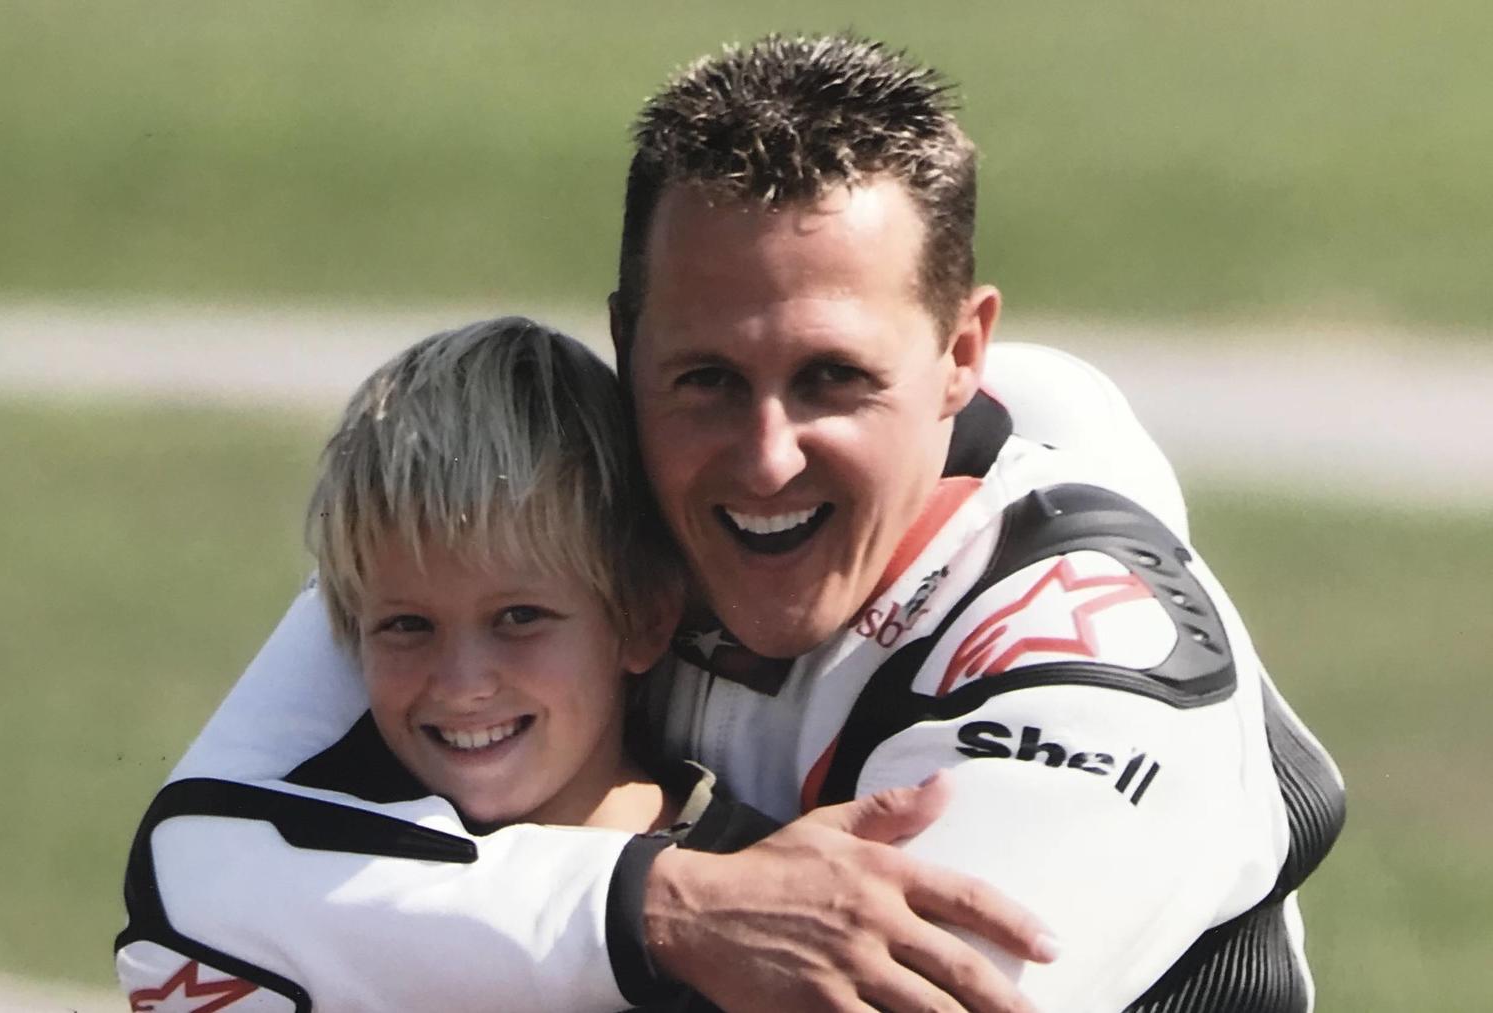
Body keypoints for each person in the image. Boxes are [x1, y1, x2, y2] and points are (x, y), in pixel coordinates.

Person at [117, 34, 1344, 1013]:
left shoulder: (1095, 664)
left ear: (961, 353)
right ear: (627, 343)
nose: (764, 458)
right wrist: (666, 906)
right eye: (706, 376)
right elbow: (195, 886)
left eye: (832, 379)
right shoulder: (579, 505)